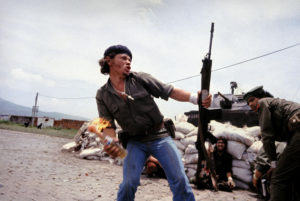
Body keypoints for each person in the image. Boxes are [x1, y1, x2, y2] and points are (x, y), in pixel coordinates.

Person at [96, 45, 212, 201]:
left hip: (159, 137)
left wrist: (195, 98)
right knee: (128, 184)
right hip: (135, 141)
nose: (128, 62)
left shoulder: (140, 78)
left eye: (130, 59)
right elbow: (107, 124)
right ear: (109, 61)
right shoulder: (102, 95)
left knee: (179, 180)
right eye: (123, 58)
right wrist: (110, 142)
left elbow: (169, 91)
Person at [243, 86, 300, 201]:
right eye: (248, 102)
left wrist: (274, 165)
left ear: (260, 98)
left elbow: (267, 137)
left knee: (277, 178)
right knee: (293, 176)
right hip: (296, 134)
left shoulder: (263, 103)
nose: (250, 104)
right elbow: (290, 140)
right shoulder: (278, 105)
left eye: (252, 100)